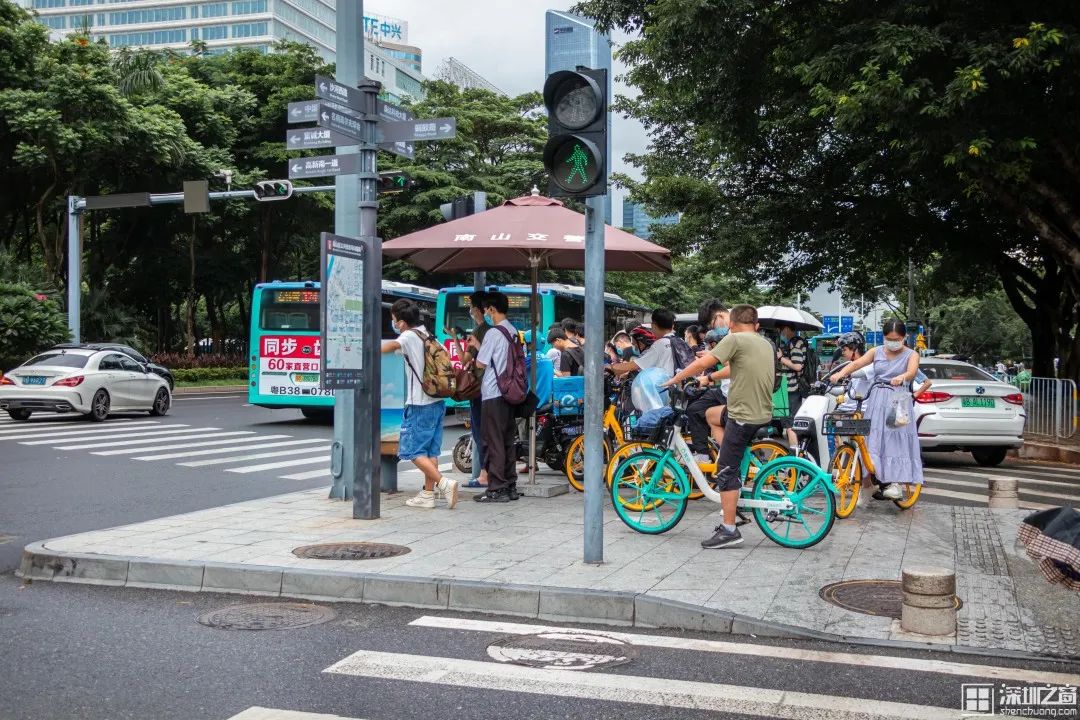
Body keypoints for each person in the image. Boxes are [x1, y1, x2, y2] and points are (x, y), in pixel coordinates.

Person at [662, 305, 775, 549]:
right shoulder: (763, 342)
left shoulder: (734, 339)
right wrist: (709, 379)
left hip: (743, 414)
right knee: (711, 415)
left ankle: (729, 529)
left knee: (724, 468)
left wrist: (673, 379)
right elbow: (735, 367)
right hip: (761, 412)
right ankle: (735, 486)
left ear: (731, 324)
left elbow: (701, 364)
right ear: (754, 323)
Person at [829, 320, 924, 500]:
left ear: (903, 338)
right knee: (872, 438)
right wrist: (840, 374)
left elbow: (911, 373)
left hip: (898, 399)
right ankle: (870, 482)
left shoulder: (912, 355)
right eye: (889, 339)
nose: (893, 342)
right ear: (884, 337)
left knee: (895, 440)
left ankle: (895, 483)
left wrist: (901, 377)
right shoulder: (876, 351)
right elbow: (856, 364)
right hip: (877, 399)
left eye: (897, 339)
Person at [381, 299, 459, 510]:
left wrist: (367, 349)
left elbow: (392, 345)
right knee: (430, 451)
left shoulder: (407, 336)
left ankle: (444, 483)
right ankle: (427, 494)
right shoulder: (428, 335)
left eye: (395, 320)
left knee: (412, 451)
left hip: (419, 403)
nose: (394, 324)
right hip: (437, 401)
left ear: (402, 321)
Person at [471, 291, 521, 503]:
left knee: (493, 441)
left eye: (486, 310)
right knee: (508, 440)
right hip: (511, 393)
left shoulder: (493, 333)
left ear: (491, 309)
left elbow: (481, 363)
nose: (486, 314)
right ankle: (510, 485)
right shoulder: (514, 331)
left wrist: (476, 347)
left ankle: (497, 488)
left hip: (493, 392)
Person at [607, 308, 679, 377]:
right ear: (672, 326)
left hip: (661, 387)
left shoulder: (659, 344)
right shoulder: (679, 341)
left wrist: (609, 367)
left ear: (653, 325)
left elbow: (634, 366)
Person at [776, 323, 808, 453]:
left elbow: (797, 366)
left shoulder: (795, 343)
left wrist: (781, 358)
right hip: (792, 389)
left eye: (781, 329)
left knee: (790, 424)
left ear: (787, 328)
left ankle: (794, 456)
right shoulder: (796, 342)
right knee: (791, 423)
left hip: (791, 389)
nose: (780, 332)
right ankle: (797, 454)